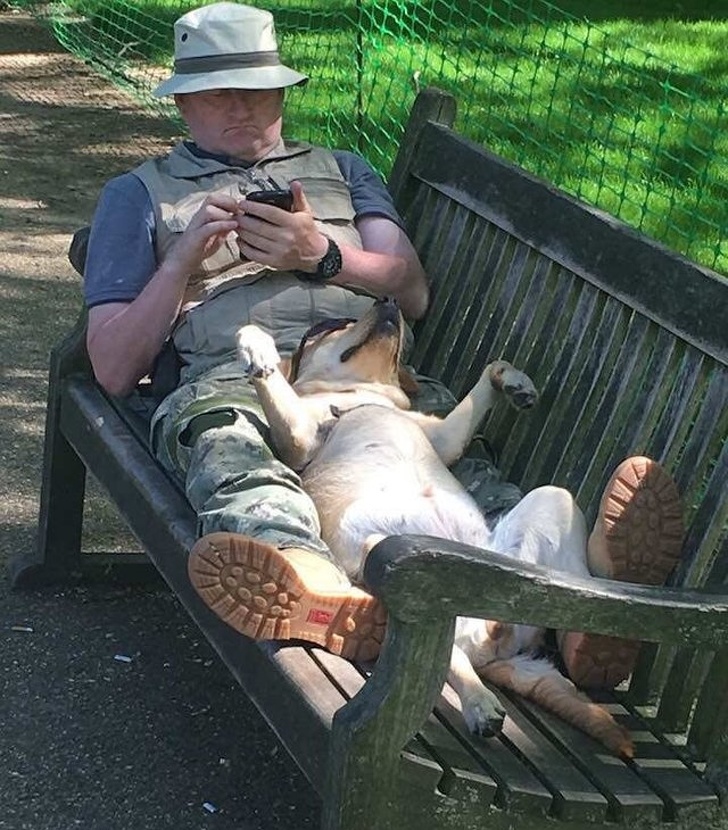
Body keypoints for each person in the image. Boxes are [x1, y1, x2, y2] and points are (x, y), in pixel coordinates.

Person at [83, 3, 684, 680]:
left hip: (375, 379)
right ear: (184, 101)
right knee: (235, 460)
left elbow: (411, 289)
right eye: (221, 92)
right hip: (230, 381)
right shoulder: (139, 196)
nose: (243, 108)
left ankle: (580, 606)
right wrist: (179, 264)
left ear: (283, 90)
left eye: (259, 89)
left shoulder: (342, 169)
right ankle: (315, 587)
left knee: (469, 482)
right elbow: (110, 365)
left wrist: (323, 254)